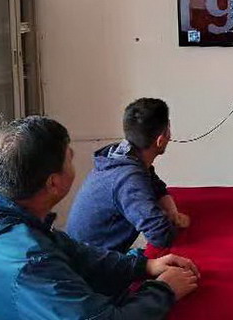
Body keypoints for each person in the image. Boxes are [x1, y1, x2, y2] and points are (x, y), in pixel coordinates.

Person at [0, 116, 200, 320]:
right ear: (54, 183)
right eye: (70, 158)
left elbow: (76, 253)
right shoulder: (27, 261)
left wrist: (144, 266)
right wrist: (164, 290)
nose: (74, 163)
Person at [67, 98, 189, 253]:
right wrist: (176, 222)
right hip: (90, 264)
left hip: (87, 253)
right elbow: (160, 235)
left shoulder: (122, 155)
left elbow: (156, 186)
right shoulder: (128, 178)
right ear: (160, 140)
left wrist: (172, 213)